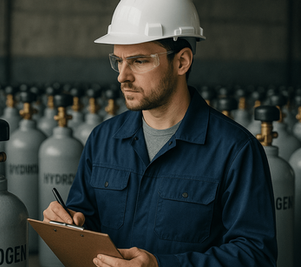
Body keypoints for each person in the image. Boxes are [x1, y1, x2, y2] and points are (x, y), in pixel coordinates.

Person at [42, 0, 277, 266]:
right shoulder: (103, 139)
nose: (122, 77)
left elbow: (255, 255)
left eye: (139, 61)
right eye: (118, 61)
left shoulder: (235, 150)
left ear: (182, 62)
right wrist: (68, 221)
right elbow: (86, 218)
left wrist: (160, 265)